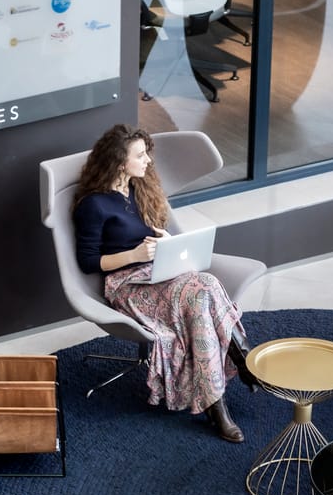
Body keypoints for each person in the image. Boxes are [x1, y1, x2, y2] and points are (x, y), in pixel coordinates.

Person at [72, 124, 258, 443]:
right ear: (119, 162)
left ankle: (218, 400)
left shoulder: (141, 188)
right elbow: (88, 262)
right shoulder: (94, 205)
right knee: (200, 293)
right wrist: (133, 254)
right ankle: (239, 363)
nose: (148, 160)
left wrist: (168, 242)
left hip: (160, 272)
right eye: (140, 155)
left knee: (205, 286)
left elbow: (156, 231)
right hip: (127, 284)